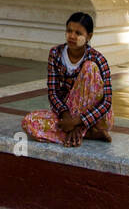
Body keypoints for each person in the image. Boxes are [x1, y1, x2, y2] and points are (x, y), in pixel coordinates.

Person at [22, 12, 114, 147]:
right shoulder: (55, 54)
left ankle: (79, 130)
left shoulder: (97, 59)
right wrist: (66, 117)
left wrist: (78, 122)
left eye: (78, 33)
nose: (72, 36)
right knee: (29, 122)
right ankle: (89, 134)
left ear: (89, 36)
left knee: (90, 68)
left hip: (97, 119)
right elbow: (53, 93)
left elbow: (107, 102)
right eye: (69, 31)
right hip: (67, 116)